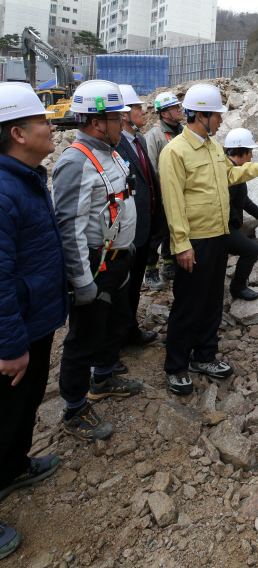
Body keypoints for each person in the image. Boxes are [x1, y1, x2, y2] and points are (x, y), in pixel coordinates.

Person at [159, 84, 258, 396]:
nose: (220, 121)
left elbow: (230, 176)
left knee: (212, 300)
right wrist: (181, 245)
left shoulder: (213, 147)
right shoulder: (174, 152)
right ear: (200, 115)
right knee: (188, 304)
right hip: (194, 242)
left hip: (219, 236)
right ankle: (176, 366)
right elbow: (172, 203)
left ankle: (205, 356)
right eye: (216, 115)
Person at [52, 79, 142, 441]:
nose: (125, 123)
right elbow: (69, 227)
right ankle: (74, 407)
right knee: (84, 336)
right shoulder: (75, 162)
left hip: (119, 258)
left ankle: (103, 377)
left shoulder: (113, 152)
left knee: (114, 321)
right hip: (94, 263)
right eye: (118, 118)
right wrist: (81, 281)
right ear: (96, 121)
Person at [0, 85, 68, 560]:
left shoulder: (27, 176)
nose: (51, 127)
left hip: (36, 317)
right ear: (19, 133)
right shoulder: (4, 191)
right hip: (15, 328)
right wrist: (9, 345)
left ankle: (14, 468)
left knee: (23, 406)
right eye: (43, 122)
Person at [117, 85, 167, 356]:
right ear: (123, 114)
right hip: (127, 232)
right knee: (121, 288)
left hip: (143, 227)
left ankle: (129, 330)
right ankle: (112, 346)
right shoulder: (115, 145)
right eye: (137, 107)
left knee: (134, 285)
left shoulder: (139, 140)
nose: (143, 110)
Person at [224, 128, 258, 301]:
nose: (252, 155)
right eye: (250, 151)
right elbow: (225, 202)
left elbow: (242, 199)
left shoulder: (234, 168)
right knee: (251, 250)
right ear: (241, 150)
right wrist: (233, 223)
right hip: (222, 228)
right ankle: (237, 287)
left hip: (227, 226)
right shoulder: (230, 171)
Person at [144, 91, 184, 288]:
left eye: (179, 106)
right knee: (157, 232)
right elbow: (151, 166)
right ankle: (150, 269)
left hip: (179, 193)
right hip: (161, 193)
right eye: (175, 107)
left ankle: (168, 265)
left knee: (172, 230)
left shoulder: (183, 132)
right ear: (164, 112)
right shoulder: (155, 135)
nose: (180, 109)